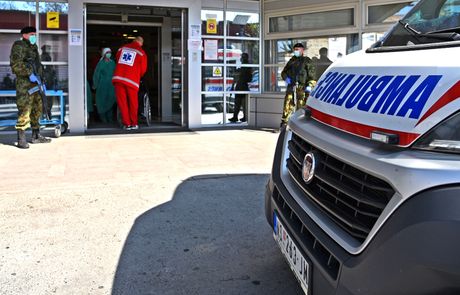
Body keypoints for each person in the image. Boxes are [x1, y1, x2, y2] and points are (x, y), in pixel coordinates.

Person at [10, 26, 51, 149]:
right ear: (25, 35)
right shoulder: (19, 46)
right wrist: (29, 73)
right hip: (25, 85)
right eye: (32, 34)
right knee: (25, 110)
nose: (34, 36)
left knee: (37, 109)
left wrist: (41, 77)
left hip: (36, 83)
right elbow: (16, 65)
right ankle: (21, 139)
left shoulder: (34, 47)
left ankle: (36, 136)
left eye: (35, 34)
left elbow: (37, 64)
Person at [112, 36, 148, 130]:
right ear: (141, 43)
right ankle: (134, 123)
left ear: (134, 40)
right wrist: (136, 75)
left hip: (118, 78)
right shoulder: (141, 52)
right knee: (133, 102)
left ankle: (127, 124)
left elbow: (117, 59)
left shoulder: (121, 48)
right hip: (131, 80)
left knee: (122, 103)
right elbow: (143, 70)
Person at [280, 42, 316, 128]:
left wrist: (309, 86)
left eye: (297, 50)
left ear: (302, 50)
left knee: (301, 106)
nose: (296, 51)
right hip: (291, 86)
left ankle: (299, 125)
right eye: (295, 50)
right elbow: (283, 72)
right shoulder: (291, 61)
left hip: (302, 88)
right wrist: (286, 78)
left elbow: (312, 76)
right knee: (288, 104)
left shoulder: (307, 61)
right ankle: (284, 123)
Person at [93, 47, 116, 123]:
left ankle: (110, 119)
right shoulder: (100, 63)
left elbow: (116, 73)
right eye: (107, 52)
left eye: (110, 52)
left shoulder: (113, 63)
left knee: (110, 101)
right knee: (101, 101)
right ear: (104, 54)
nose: (109, 54)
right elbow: (96, 75)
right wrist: (95, 85)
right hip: (102, 85)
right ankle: (103, 119)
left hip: (111, 85)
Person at [229, 53, 252, 123]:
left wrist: (238, 71)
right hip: (240, 86)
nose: (241, 59)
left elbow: (243, 77)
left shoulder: (246, 66)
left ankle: (242, 117)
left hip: (242, 87)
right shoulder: (243, 66)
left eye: (242, 57)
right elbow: (236, 77)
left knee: (242, 103)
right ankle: (236, 117)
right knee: (238, 103)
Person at [41, 44, 57, 115]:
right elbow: (45, 68)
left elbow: (50, 68)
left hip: (49, 80)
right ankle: (47, 113)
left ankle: (47, 113)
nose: (49, 51)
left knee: (48, 98)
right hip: (47, 80)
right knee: (47, 98)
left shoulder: (47, 57)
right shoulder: (44, 57)